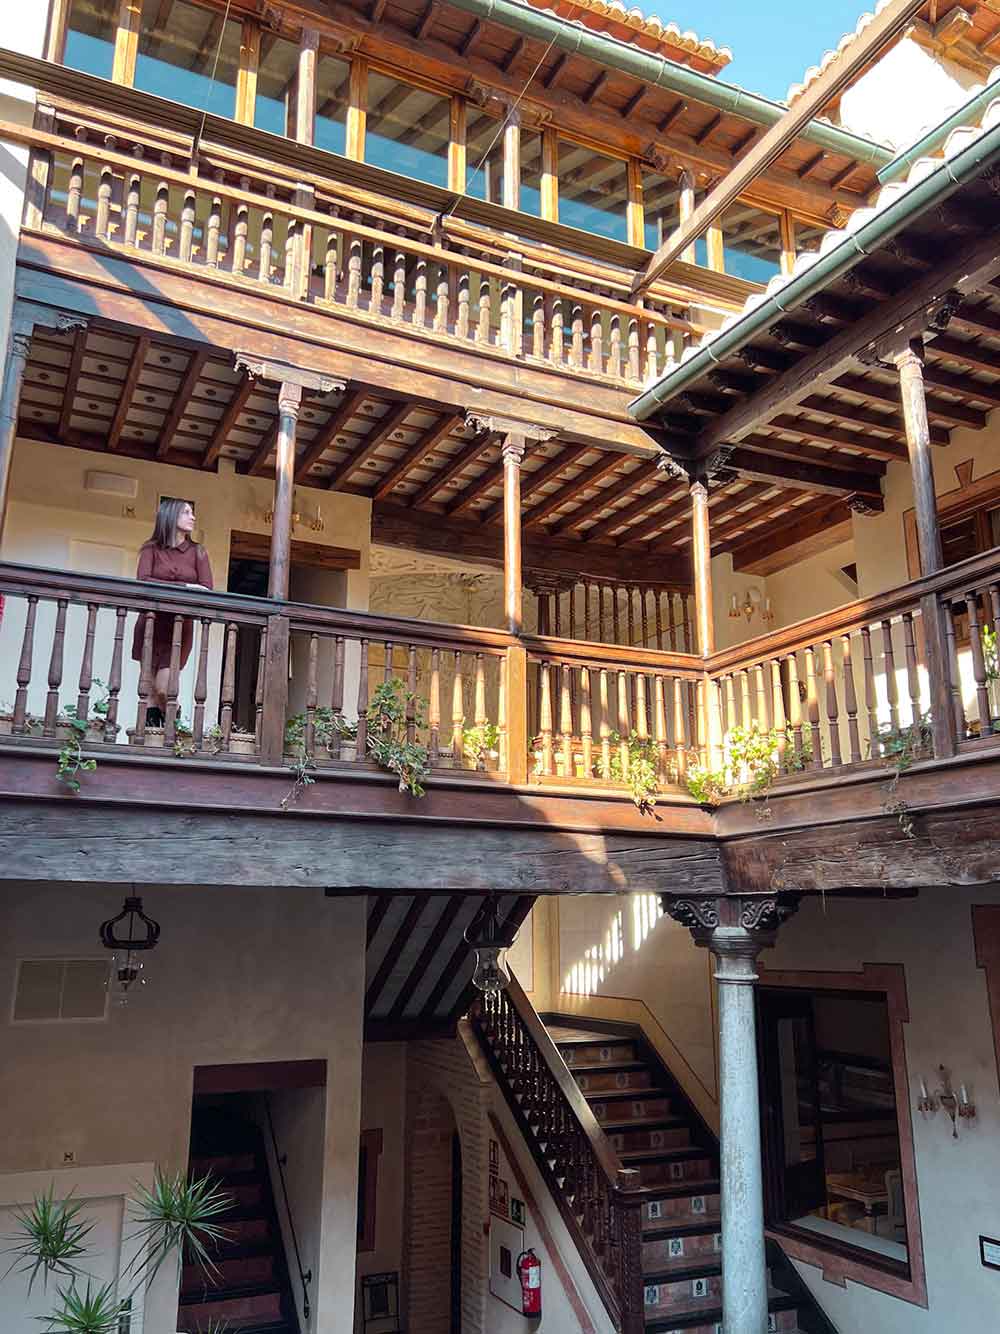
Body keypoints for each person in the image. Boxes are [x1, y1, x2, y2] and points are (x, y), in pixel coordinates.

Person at [131, 498, 213, 726]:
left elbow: (207, 588)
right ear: (171, 516)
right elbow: (143, 581)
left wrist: (172, 588)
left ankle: (173, 731)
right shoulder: (151, 549)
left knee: (164, 688)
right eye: (187, 512)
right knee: (147, 690)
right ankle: (150, 744)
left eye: (192, 512)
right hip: (150, 624)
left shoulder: (198, 552)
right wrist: (185, 587)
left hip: (179, 628)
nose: (193, 517)